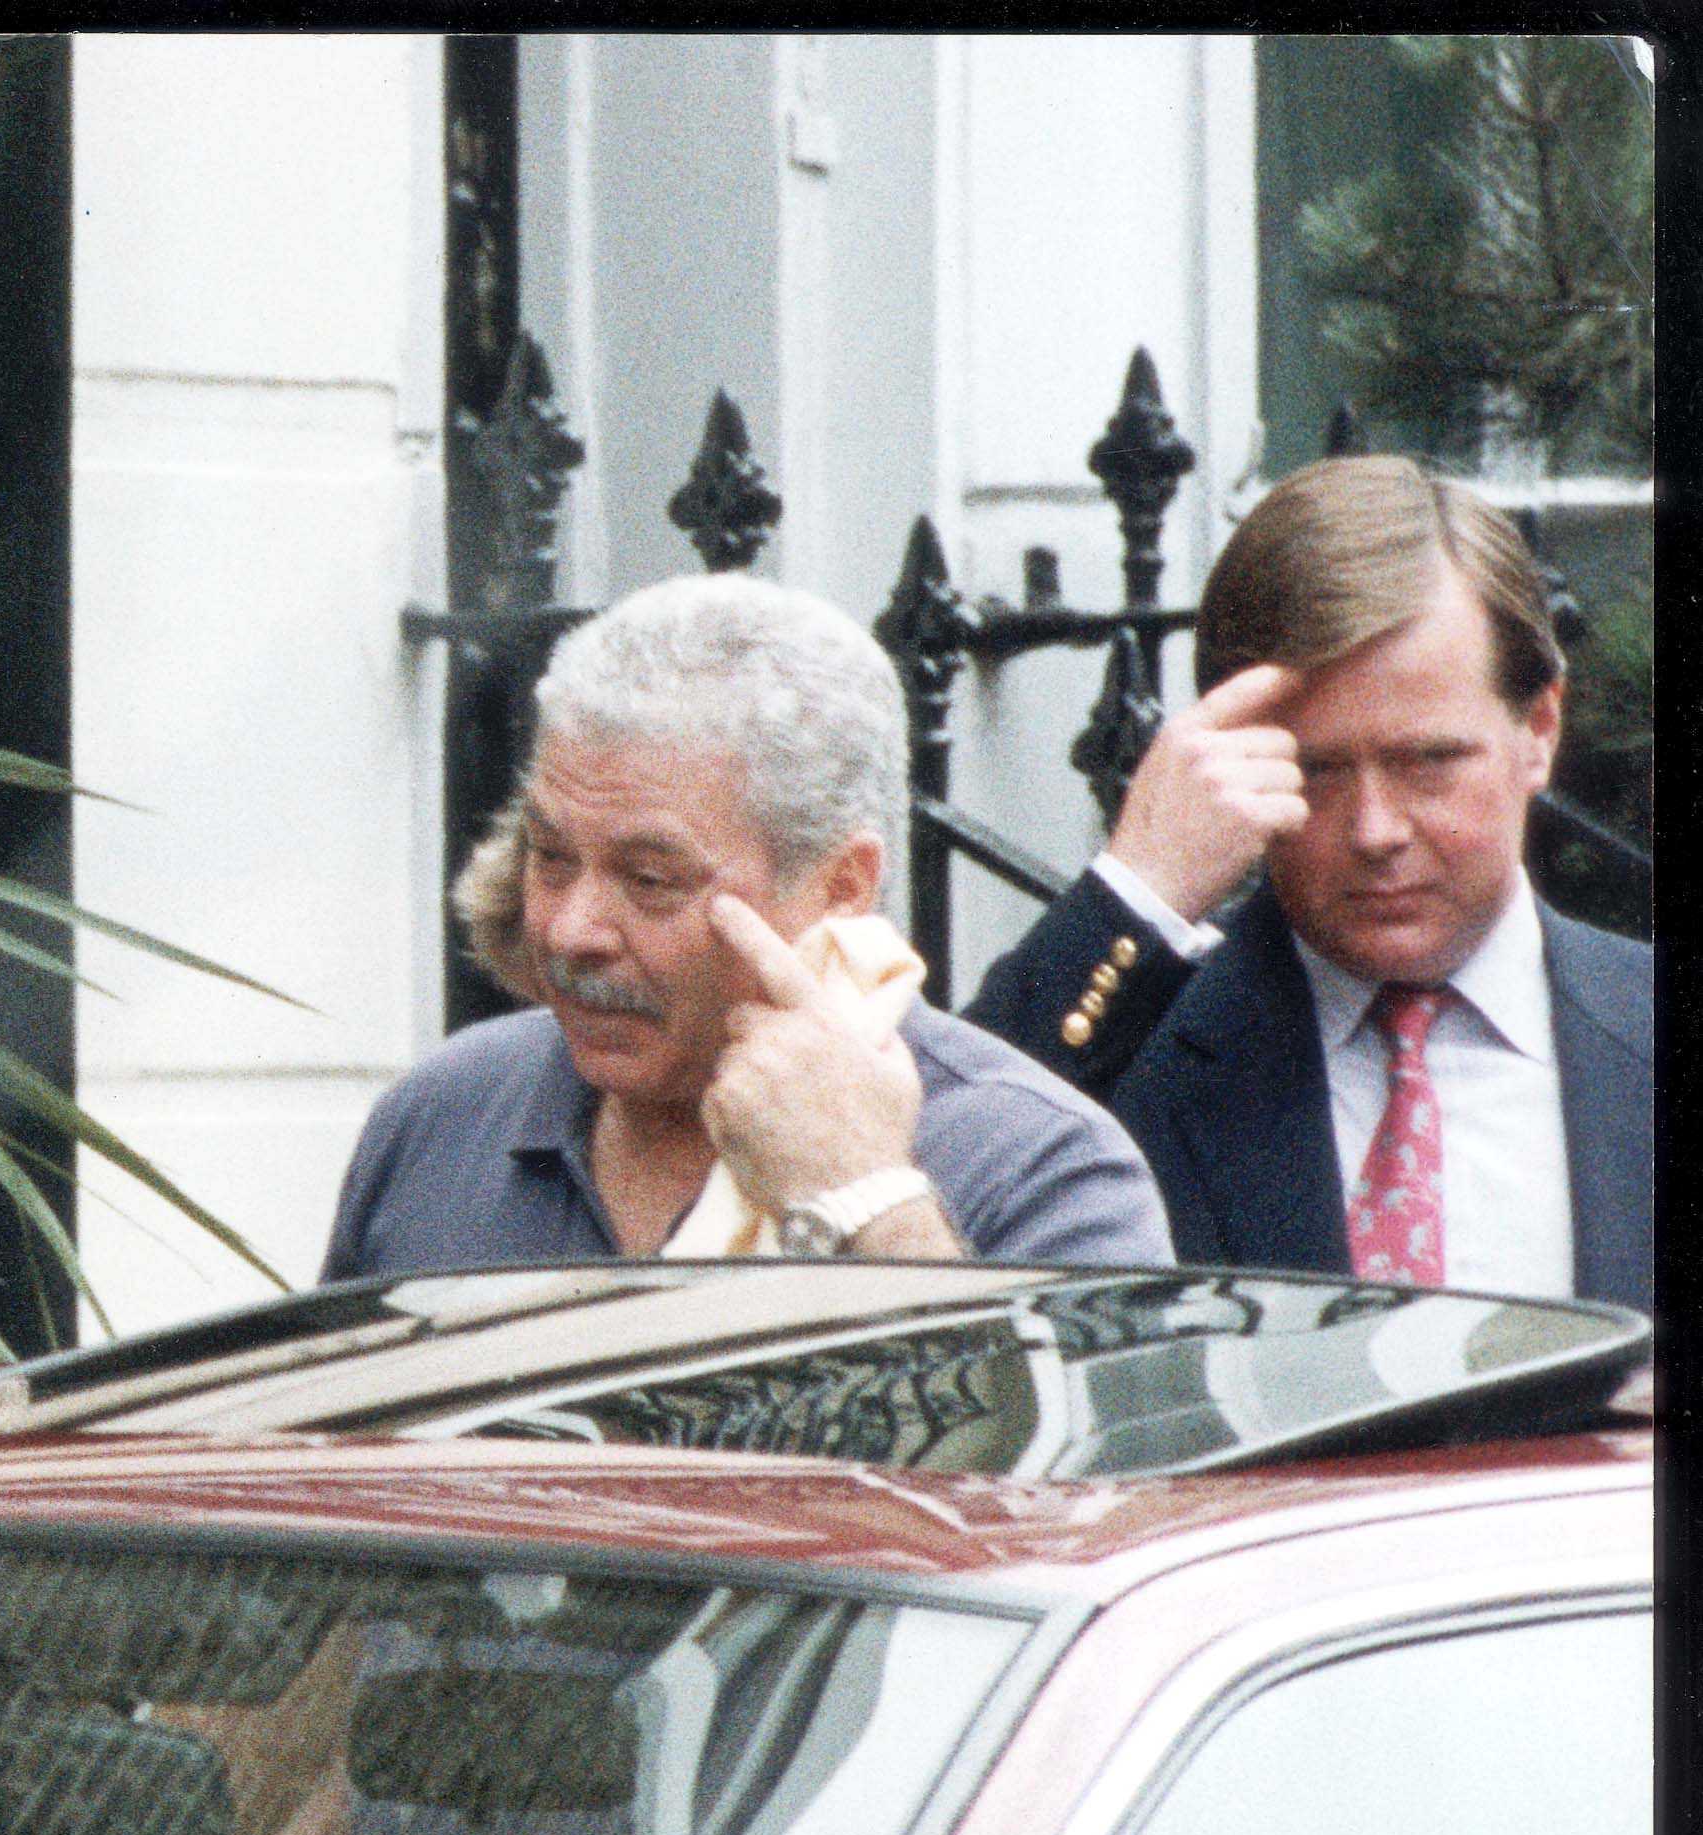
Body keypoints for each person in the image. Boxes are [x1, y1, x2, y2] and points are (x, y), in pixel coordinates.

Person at [323, 573, 1171, 1282]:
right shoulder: (441, 1118)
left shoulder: (1038, 1167)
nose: (572, 928)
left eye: (651, 880)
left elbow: (1059, 1477)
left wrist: (865, 1198)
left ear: (844, 885)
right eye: (549, 856)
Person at [962, 456, 1650, 1309]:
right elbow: (943, 1184)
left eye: (1429, 761)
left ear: (1538, 728)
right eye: (1315, 770)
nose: (1375, 832)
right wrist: (1138, 888)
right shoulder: (1139, 1058)